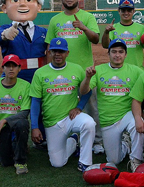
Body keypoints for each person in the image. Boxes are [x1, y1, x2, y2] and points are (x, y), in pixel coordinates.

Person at [0, 0, 48, 158]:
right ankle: (3, 142)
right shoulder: (5, 29)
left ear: (38, 5)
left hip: (38, 77)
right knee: (10, 109)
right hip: (15, 78)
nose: (22, 3)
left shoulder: (43, 31)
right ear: (4, 7)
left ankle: (43, 139)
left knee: (42, 110)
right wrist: (5, 35)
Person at [45, 0, 104, 154]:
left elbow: (96, 39)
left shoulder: (87, 16)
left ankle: (97, 141)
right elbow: (50, 46)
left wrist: (83, 27)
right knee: (66, 107)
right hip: (62, 72)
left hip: (85, 72)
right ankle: (72, 139)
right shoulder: (55, 20)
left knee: (92, 107)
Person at [30, 38, 95, 172]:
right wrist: (35, 127)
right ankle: (73, 140)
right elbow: (35, 101)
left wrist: (79, 107)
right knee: (57, 163)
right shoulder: (40, 73)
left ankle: (85, 162)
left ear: (67, 53)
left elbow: (87, 91)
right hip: (52, 121)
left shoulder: (76, 69)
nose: (57, 54)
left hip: (71, 117)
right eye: (54, 51)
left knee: (89, 123)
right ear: (49, 52)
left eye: (61, 51)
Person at [80, 39, 144, 172]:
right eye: (114, 52)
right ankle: (126, 144)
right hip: (108, 120)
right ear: (108, 54)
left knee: (137, 123)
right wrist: (87, 78)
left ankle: (136, 160)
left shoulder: (136, 71)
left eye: (121, 52)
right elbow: (83, 91)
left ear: (126, 54)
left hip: (128, 114)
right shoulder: (98, 70)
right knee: (113, 160)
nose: (117, 55)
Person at [0, 55, 31, 174]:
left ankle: (21, 162)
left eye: (14, 66)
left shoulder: (25, 85)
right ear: (2, 68)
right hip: (1, 130)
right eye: (8, 66)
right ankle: (16, 146)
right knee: (6, 162)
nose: (11, 69)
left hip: (15, 125)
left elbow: (24, 113)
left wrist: (4, 120)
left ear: (19, 68)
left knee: (22, 124)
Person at [102, 0, 144, 69]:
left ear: (133, 11)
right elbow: (106, 45)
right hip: (118, 70)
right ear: (119, 11)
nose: (126, 13)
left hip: (137, 70)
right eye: (123, 10)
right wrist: (106, 32)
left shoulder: (142, 28)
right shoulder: (113, 28)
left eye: (129, 10)